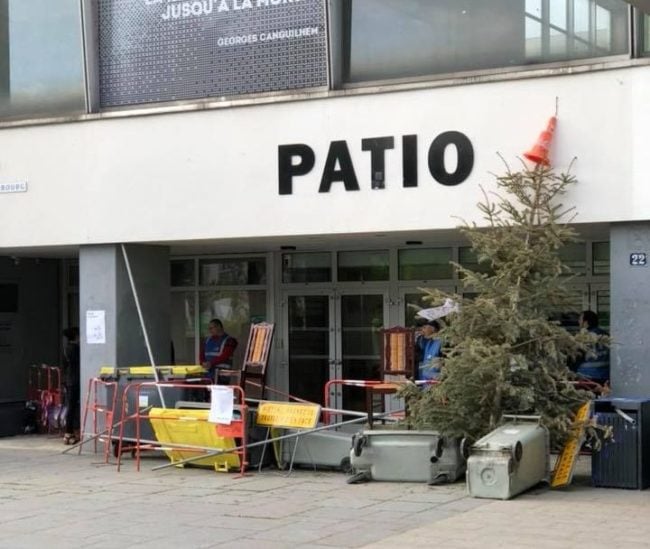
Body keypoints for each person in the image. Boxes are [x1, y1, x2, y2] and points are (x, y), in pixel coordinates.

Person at [575, 310, 609, 385]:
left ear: (586, 322)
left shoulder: (584, 337)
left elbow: (577, 357)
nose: (578, 322)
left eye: (580, 319)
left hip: (586, 376)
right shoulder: (605, 335)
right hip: (605, 376)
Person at [199, 318, 238, 384]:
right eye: (209, 328)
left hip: (222, 376)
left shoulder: (230, 340)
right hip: (207, 375)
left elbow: (225, 356)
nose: (210, 330)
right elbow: (202, 354)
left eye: (212, 328)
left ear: (219, 327)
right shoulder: (207, 340)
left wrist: (211, 363)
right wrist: (203, 362)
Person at [62, 327, 80, 445]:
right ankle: (69, 432)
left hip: (69, 380)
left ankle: (69, 433)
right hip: (75, 380)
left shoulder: (66, 349)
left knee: (71, 406)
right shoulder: (75, 349)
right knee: (72, 407)